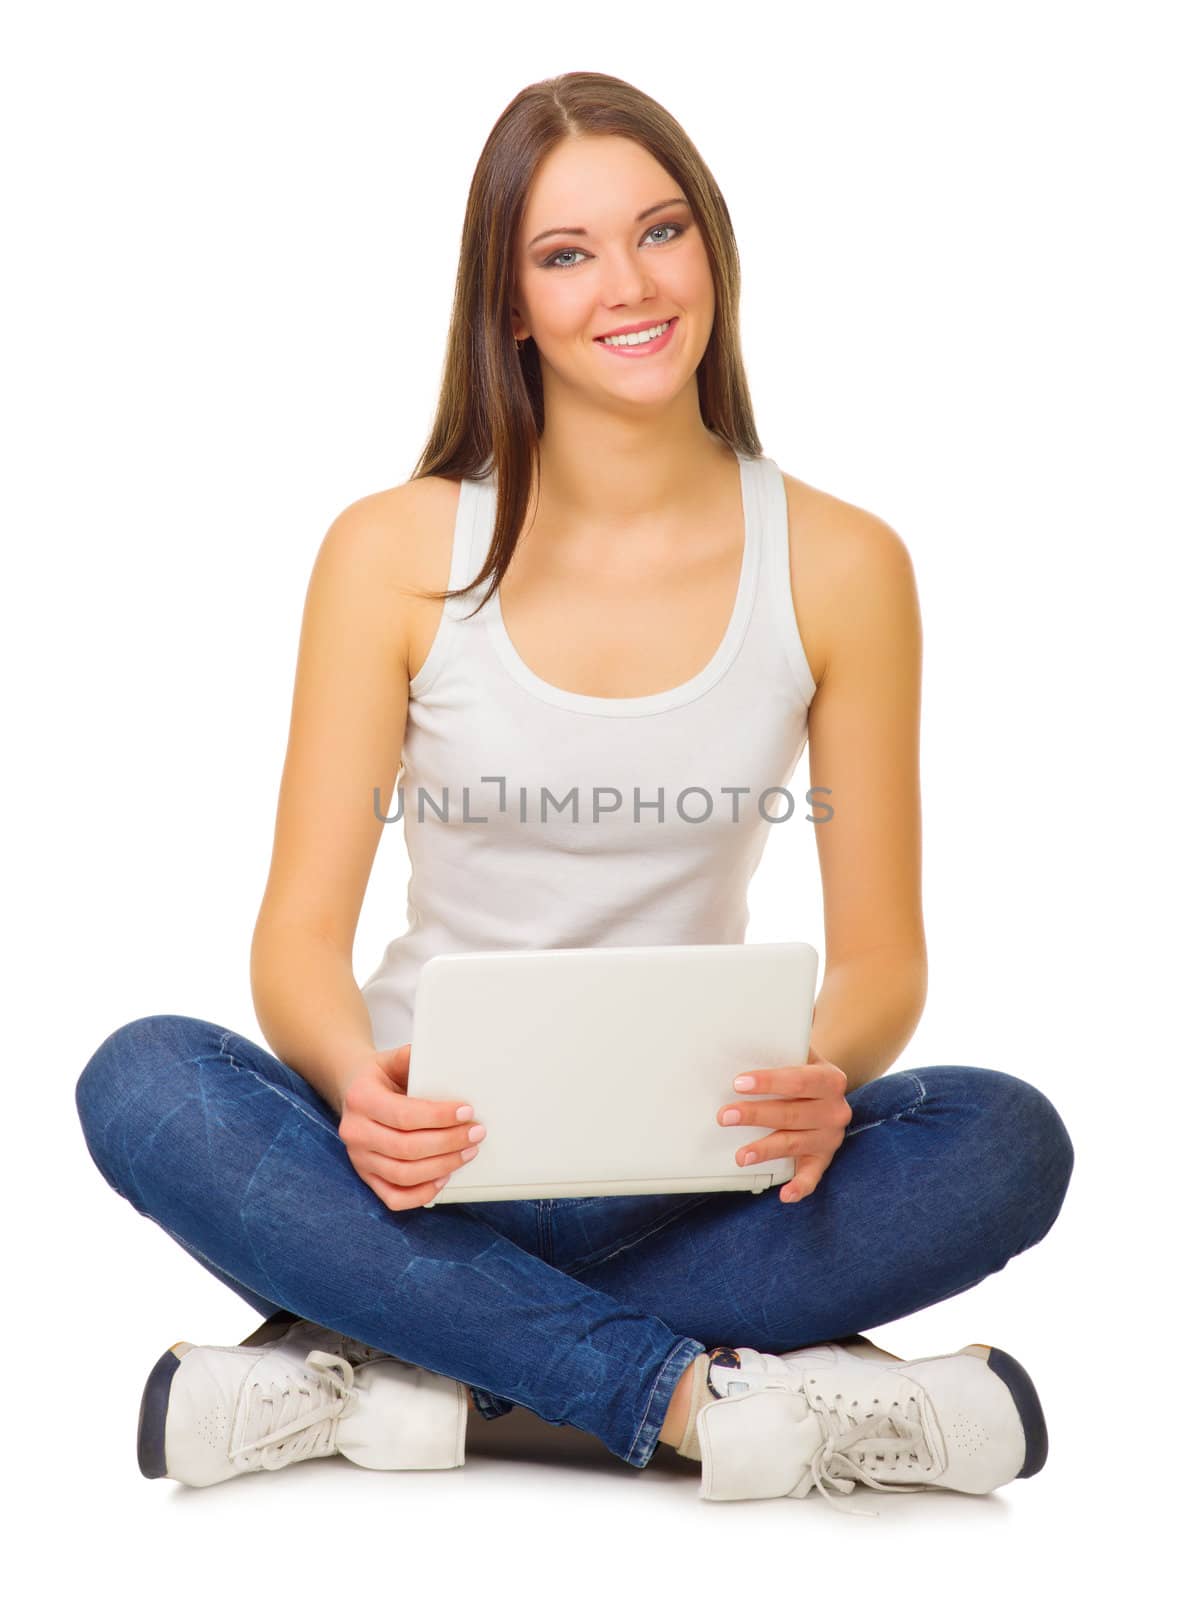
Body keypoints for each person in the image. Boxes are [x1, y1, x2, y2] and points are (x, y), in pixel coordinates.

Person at [74, 71, 1074, 1514]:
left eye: (661, 232)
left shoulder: (847, 563)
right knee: (147, 1082)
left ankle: (388, 1366)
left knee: (1003, 1139)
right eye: (567, 253)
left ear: (712, 250)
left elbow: (883, 959)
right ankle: (681, 1397)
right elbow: (296, 940)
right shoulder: (394, 550)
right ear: (511, 302)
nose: (630, 284)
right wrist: (357, 1089)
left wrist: (824, 1077)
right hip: (419, 1171)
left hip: (695, 1164)